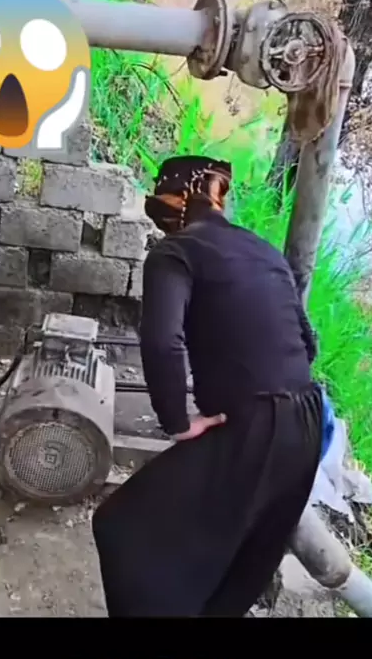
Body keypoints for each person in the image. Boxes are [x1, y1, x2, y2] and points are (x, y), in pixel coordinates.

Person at [92, 155, 324, 617]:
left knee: (119, 526)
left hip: (253, 425)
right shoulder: (264, 251)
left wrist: (177, 421)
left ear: (182, 197)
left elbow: (162, 341)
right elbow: (309, 343)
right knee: (243, 564)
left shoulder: (174, 252)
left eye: (161, 198)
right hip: (307, 423)